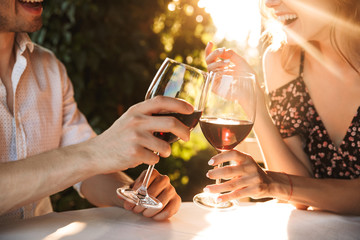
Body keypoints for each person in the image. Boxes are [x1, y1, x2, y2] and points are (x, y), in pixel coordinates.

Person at [0, 0, 193, 222]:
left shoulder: (50, 68)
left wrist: (134, 194)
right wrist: (95, 152)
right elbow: (88, 157)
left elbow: (88, 174)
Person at [203, 0, 360, 215]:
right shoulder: (284, 61)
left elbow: (289, 186)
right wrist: (251, 99)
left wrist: (274, 182)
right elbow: (299, 197)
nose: (270, 3)